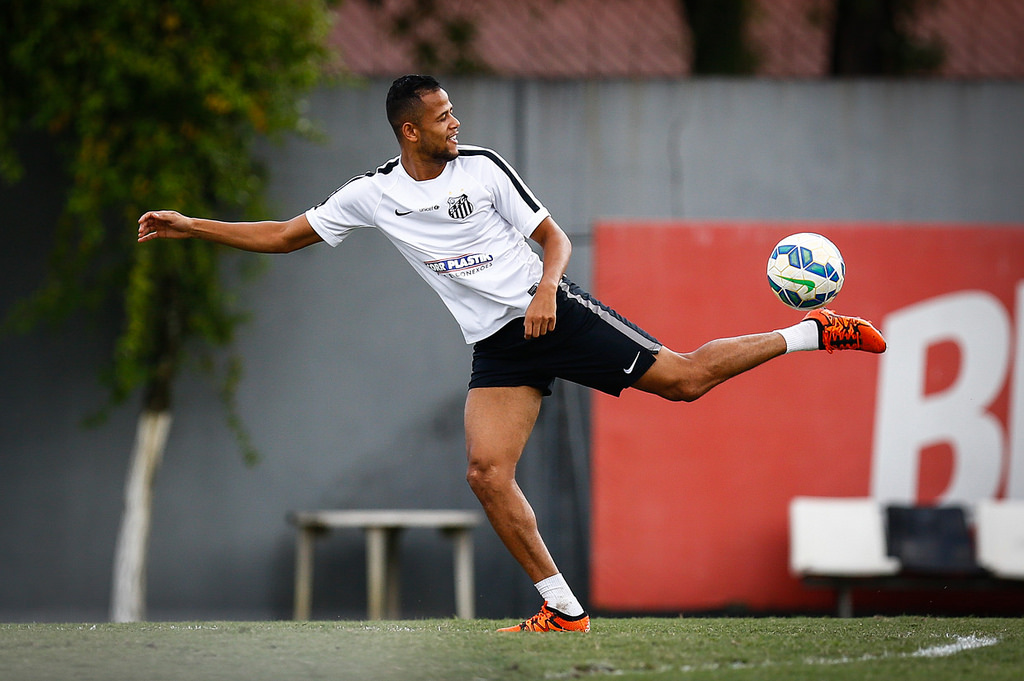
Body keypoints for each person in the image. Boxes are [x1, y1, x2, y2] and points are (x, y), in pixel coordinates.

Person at [138, 75, 886, 633]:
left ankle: (814, 331)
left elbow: (553, 238)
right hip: (497, 346)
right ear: (409, 131)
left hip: (551, 310)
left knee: (685, 379)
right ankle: (563, 609)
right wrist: (191, 225)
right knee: (486, 473)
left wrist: (546, 290)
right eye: (442, 117)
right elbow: (282, 233)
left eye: (454, 111)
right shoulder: (371, 194)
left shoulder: (484, 167)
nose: (456, 123)